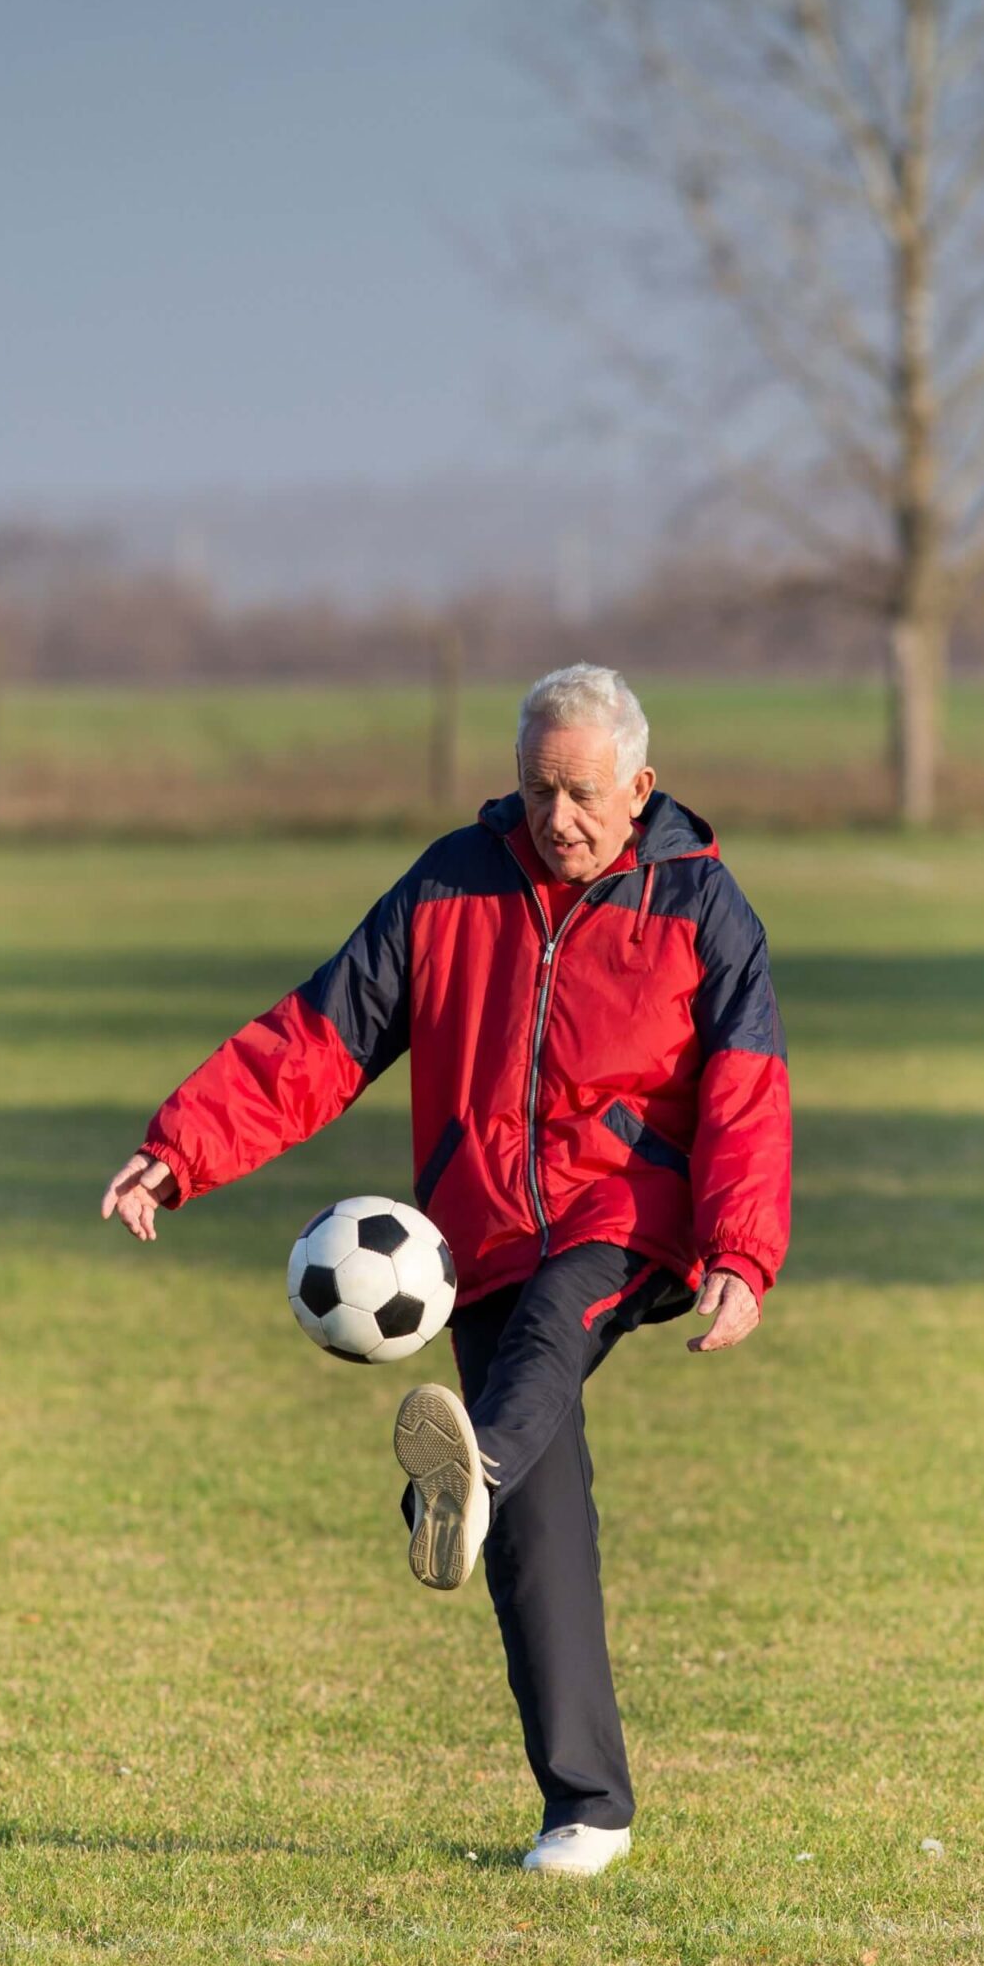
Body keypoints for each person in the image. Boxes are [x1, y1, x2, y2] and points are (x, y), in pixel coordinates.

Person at [100, 664, 791, 1876]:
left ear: (638, 787)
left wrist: (740, 1251)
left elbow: (746, 1096)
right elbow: (320, 1034)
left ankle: (472, 1466)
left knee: (542, 1351)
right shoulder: (449, 885)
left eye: (581, 792)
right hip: (477, 1232)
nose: (557, 817)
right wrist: (181, 1149)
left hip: (630, 1214)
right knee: (527, 1524)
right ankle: (586, 1807)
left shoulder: (704, 906)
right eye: (537, 790)